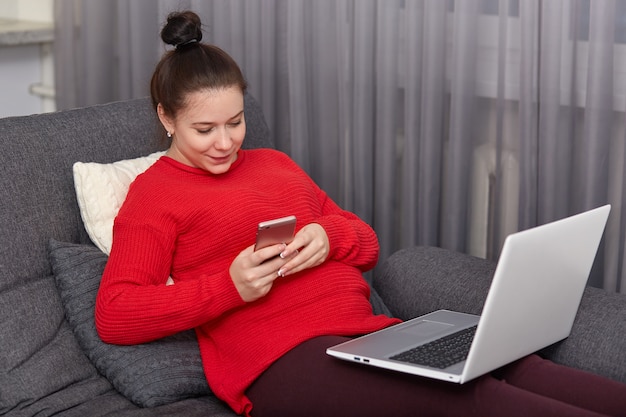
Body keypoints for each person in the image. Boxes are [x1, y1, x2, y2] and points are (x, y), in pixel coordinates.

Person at [95, 10, 626, 417]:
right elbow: (115, 312)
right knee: (476, 398)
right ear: (166, 117)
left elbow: (366, 243)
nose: (225, 142)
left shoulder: (274, 164)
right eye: (204, 130)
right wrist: (228, 288)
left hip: (370, 335)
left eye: (234, 122)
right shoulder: (154, 195)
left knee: (518, 363)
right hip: (282, 362)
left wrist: (328, 236)